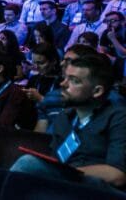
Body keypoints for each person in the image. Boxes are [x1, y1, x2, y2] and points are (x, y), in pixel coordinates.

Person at [11, 53, 126, 189]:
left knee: (28, 164)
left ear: (97, 91)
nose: (63, 84)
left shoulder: (118, 118)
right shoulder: (65, 117)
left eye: (74, 80)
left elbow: (117, 175)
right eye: (65, 78)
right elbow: (56, 159)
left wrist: (64, 172)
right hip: (64, 186)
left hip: (99, 191)